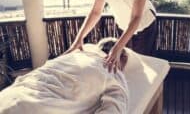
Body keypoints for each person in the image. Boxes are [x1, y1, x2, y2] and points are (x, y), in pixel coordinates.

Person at [0, 38, 129, 114]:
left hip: (8, 97)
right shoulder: (113, 71)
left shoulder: (70, 56)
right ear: (121, 58)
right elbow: (114, 108)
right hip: (34, 109)